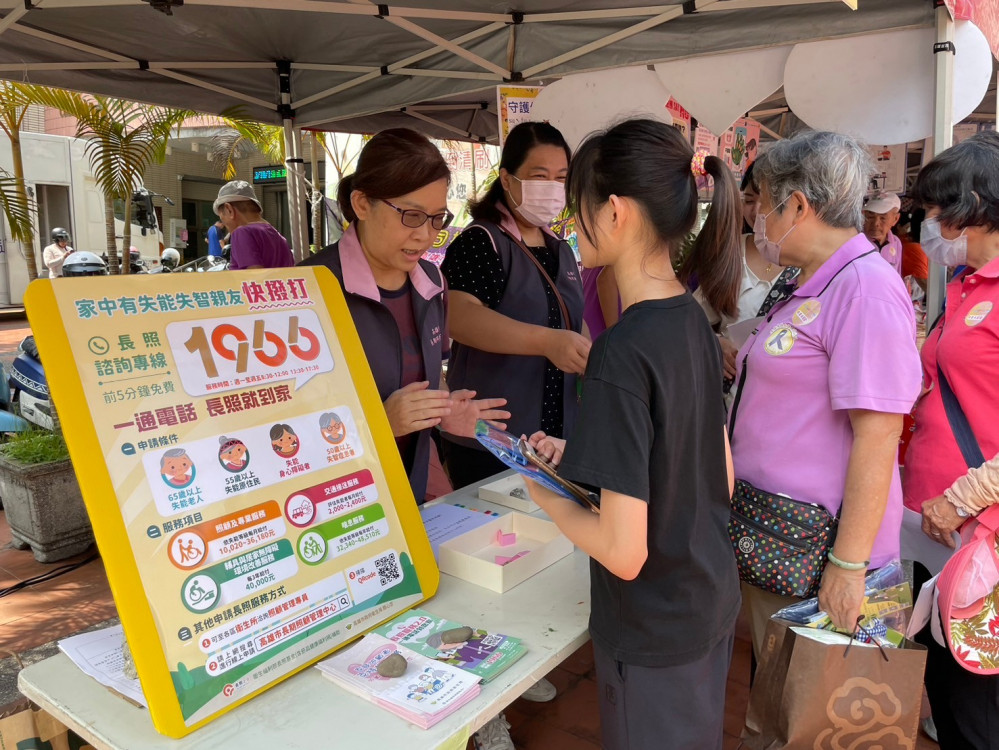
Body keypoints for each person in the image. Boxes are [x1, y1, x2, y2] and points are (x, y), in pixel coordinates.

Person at [523, 119, 743, 750]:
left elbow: (623, 553)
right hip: (706, 596)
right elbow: (713, 471)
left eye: (577, 209)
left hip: (652, 628)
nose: (572, 225)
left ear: (614, 211)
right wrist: (588, 459)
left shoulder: (620, 351)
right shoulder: (694, 326)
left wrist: (547, 493)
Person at [729, 132, 922, 660]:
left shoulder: (865, 288)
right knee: (779, 702)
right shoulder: (808, 279)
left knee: (820, 712)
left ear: (797, 205)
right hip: (780, 538)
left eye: (763, 204)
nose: (757, 219)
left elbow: (880, 433)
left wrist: (848, 565)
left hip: (821, 550)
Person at [300, 129, 510, 505]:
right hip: (337, 499)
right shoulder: (309, 290)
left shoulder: (432, 282)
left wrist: (445, 411)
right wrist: (379, 423)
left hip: (410, 481)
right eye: (411, 216)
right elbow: (281, 426)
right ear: (362, 203)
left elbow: (423, 383)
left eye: (436, 219)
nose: (425, 236)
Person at [902, 131, 999, 749]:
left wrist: (961, 500)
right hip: (930, 527)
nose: (929, 227)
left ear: (973, 204)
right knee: (944, 684)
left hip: (974, 528)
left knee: (975, 703)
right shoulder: (963, 283)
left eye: (937, 213)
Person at [440, 122, 586, 489]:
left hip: (553, 441)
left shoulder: (562, 250)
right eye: (540, 176)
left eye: (561, 178)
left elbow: (570, 320)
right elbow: (459, 316)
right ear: (507, 179)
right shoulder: (481, 241)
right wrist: (547, 342)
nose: (552, 188)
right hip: (491, 439)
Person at [697, 162, 799, 392]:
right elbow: (692, 319)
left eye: (767, 202)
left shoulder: (810, 266)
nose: (757, 212)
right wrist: (715, 343)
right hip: (727, 400)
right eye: (750, 200)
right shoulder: (728, 254)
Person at [214, 180, 294, 270]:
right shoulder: (277, 235)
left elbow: (254, 277)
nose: (225, 225)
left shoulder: (241, 232)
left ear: (229, 210)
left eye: (223, 219)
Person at [863, 190, 904, 275]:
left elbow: (897, 277)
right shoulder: (855, 240)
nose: (876, 223)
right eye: (870, 216)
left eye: (883, 218)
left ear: (895, 219)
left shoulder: (896, 243)